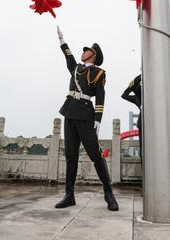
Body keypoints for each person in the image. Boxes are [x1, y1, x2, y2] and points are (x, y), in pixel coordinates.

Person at [54, 26, 119, 211]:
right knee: (71, 156)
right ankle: (69, 195)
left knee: (96, 155)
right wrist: (62, 40)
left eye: (87, 50)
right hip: (70, 112)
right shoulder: (76, 68)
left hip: (85, 115)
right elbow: (68, 56)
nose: (83, 52)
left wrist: (98, 119)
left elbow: (101, 97)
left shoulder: (99, 73)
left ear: (93, 55)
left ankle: (108, 193)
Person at [121, 74, 142, 160]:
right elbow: (124, 95)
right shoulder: (137, 97)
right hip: (142, 124)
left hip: (152, 124)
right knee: (143, 151)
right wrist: (140, 76)